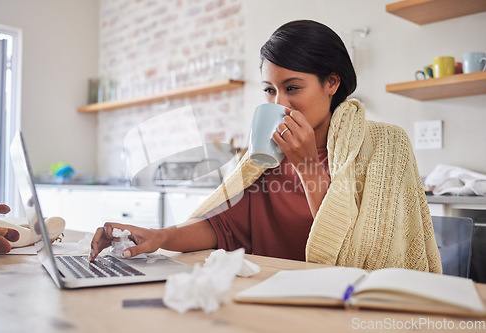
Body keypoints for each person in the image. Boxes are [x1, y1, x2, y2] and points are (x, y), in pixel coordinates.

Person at [90, 20, 442, 273]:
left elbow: (365, 259)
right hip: (265, 297)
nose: (280, 103)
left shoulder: (385, 144)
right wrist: (158, 235)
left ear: (331, 83)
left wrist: (306, 166)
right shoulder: (261, 160)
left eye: (292, 88)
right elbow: (221, 227)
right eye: (269, 90)